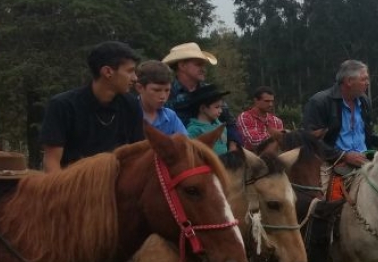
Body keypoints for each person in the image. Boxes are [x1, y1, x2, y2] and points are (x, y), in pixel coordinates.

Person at [40, 41, 145, 172]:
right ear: (107, 72)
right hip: (73, 185)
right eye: (130, 71)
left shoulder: (131, 105)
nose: (135, 78)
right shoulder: (63, 106)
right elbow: (52, 162)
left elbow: (138, 155)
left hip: (117, 185)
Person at [302, 60, 378, 202]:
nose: (368, 83)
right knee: (319, 204)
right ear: (349, 81)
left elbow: (368, 134)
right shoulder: (319, 102)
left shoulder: (364, 101)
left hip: (365, 161)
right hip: (330, 163)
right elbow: (310, 140)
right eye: (364, 79)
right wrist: (344, 156)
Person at [163, 42, 245, 148]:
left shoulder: (210, 92)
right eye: (198, 64)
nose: (203, 69)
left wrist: (233, 145)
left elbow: (229, 121)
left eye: (203, 65)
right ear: (182, 66)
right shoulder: (168, 93)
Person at [134, 60, 187, 136]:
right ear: (139, 88)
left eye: (167, 90)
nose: (163, 96)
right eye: (156, 90)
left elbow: (186, 143)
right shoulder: (128, 114)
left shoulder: (170, 117)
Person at [181, 84, 232, 155]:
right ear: (203, 108)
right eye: (217, 107)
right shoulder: (194, 130)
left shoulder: (220, 125)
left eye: (221, 107)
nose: (220, 110)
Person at [237, 86, 283, 150]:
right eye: (267, 101)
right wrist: (276, 135)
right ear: (256, 100)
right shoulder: (245, 117)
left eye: (272, 101)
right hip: (251, 158)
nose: (270, 104)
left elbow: (283, 143)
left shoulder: (277, 121)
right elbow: (253, 141)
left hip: (273, 158)